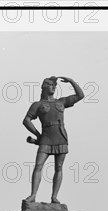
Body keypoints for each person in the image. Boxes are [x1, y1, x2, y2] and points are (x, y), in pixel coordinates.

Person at [23, 76, 84, 204]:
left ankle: (54, 196)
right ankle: (33, 195)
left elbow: (80, 95)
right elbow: (26, 120)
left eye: (55, 85)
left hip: (61, 136)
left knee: (59, 167)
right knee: (39, 165)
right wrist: (38, 136)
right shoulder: (38, 105)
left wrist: (71, 81)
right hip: (46, 137)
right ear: (44, 87)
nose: (53, 87)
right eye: (51, 85)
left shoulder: (61, 102)